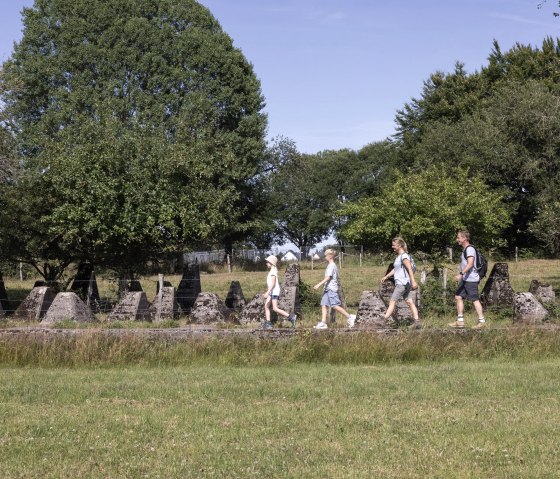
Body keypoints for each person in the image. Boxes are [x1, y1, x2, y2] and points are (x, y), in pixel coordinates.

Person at [448, 229, 486, 329]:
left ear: (464, 238)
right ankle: (460, 321)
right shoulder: (465, 249)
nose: (457, 240)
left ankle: (482, 321)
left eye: (458, 238)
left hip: (471, 279)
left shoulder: (470, 249)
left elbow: (470, 264)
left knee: (474, 299)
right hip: (465, 279)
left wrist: (461, 274)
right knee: (458, 296)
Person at [380, 237, 421, 329]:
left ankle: (383, 321)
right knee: (409, 302)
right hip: (405, 284)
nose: (392, 247)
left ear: (399, 245)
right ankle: (417, 322)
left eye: (394, 245)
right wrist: (386, 277)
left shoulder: (404, 256)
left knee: (392, 301)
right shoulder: (399, 257)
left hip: (402, 284)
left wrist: (413, 281)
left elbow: (409, 269)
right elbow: (396, 269)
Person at [313, 249, 356, 329]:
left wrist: (319, 284)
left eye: (326, 255)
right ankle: (323, 323)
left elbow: (328, 277)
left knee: (335, 305)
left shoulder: (331, 266)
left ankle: (350, 317)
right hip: (327, 289)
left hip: (331, 289)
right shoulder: (331, 265)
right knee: (324, 305)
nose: (325, 257)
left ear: (330, 256)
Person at [262, 255, 297, 329]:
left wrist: (268, 292)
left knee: (275, 308)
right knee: (266, 306)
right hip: (272, 291)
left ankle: (291, 317)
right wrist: (267, 291)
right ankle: (268, 323)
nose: (266, 264)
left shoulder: (273, 272)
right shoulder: (272, 271)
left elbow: (273, 283)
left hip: (274, 292)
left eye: (267, 262)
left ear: (271, 263)